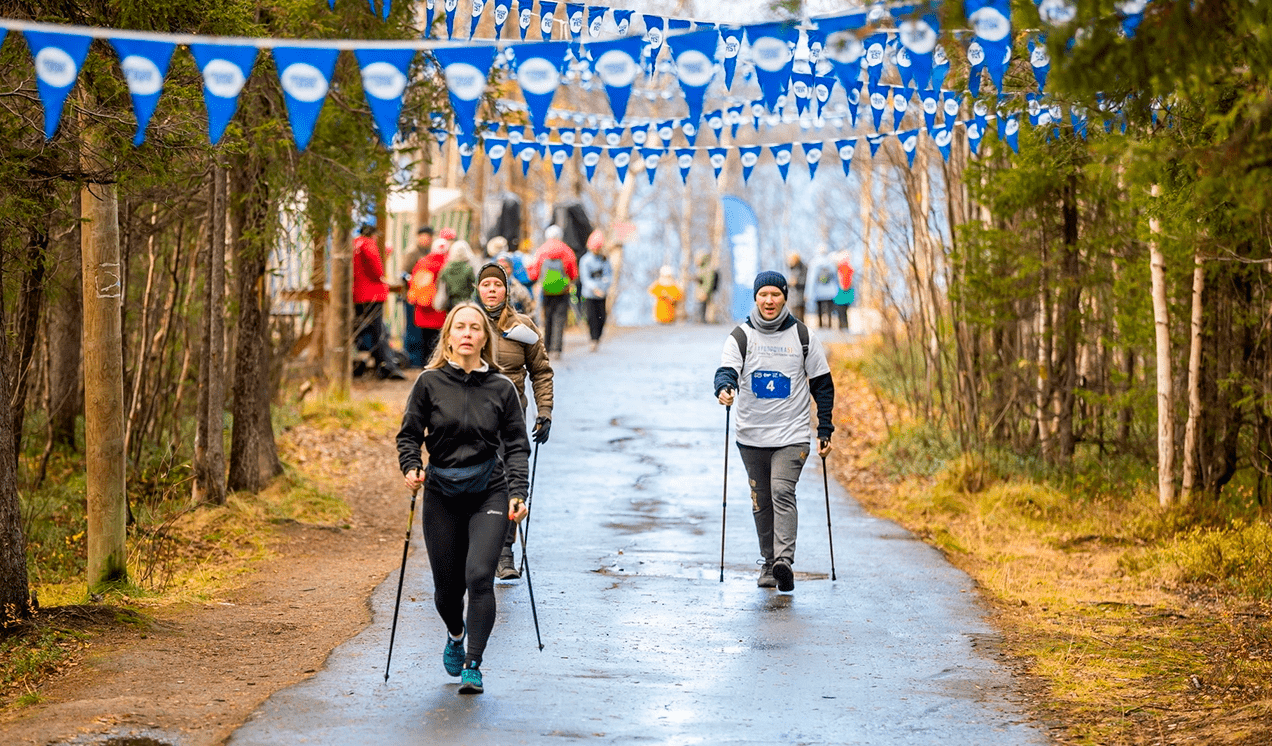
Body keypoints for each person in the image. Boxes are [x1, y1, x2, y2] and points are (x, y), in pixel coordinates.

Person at [397, 302, 531, 695]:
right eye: (461, 327)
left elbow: (517, 446)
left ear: (483, 337)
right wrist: (411, 466)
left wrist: (518, 491)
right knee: (447, 590)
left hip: (489, 488)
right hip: (441, 491)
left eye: (475, 327)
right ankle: (456, 633)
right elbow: (409, 434)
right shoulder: (429, 383)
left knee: (479, 577)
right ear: (449, 336)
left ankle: (474, 663)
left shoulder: (501, 388)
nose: (468, 333)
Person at [712, 271, 835, 592]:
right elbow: (726, 371)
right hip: (751, 435)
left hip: (792, 435)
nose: (769, 300)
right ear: (755, 298)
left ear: (784, 297)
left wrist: (825, 427)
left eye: (775, 295)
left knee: (782, 491)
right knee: (761, 500)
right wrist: (724, 388)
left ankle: (784, 561)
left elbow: (822, 385)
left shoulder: (803, 337)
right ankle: (768, 564)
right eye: (763, 294)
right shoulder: (740, 337)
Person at [474, 261, 554, 580]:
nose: (492, 290)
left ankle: (505, 552)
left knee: (511, 483)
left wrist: (544, 412)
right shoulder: (467, 325)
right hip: (472, 420)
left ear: (506, 290)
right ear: (478, 290)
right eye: (486, 285)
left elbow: (541, 372)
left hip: (512, 419)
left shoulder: (524, 327)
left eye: (497, 285)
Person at [352, 224, 406, 379]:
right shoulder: (368, 244)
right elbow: (377, 270)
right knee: (379, 332)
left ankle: (366, 363)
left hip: (358, 293)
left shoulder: (354, 244)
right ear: (372, 234)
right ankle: (387, 365)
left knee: (363, 331)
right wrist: (381, 278)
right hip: (372, 294)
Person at [526, 225, 579, 359]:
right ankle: (556, 349)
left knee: (548, 317)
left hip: (546, 290)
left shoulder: (541, 250)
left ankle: (547, 347)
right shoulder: (566, 250)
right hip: (563, 290)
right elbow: (573, 272)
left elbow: (533, 273)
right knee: (559, 318)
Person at [407, 235, 451, 360]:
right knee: (439, 339)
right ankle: (437, 362)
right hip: (440, 307)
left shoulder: (422, 262)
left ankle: (423, 363)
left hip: (423, 305)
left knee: (423, 337)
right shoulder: (447, 263)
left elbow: (413, 281)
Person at [401, 226, 434, 367]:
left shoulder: (430, 252)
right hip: (413, 298)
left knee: (422, 330)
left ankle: (420, 360)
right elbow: (403, 273)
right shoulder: (412, 252)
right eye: (423, 236)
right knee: (412, 329)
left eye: (428, 237)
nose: (426, 239)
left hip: (424, 299)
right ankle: (412, 360)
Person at [578, 230, 613, 352]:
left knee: (601, 317)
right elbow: (585, 278)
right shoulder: (585, 260)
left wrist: (603, 287)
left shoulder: (604, 260)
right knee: (591, 317)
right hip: (589, 294)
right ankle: (593, 339)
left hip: (602, 294)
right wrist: (595, 289)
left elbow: (609, 275)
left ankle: (598, 337)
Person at [438, 240, 478, 311]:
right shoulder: (469, 268)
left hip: (451, 304)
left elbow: (442, 289)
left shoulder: (447, 268)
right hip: (466, 303)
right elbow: (474, 286)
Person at [807, 244, 839, 329]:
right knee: (829, 311)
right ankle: (829, 327)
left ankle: (821, 327)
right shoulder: (831, 262)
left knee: (820, 311)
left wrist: (808, 293)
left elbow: (811, 279)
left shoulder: (814, 262)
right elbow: (835, 278)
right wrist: (836, 290)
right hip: (830, 291)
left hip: (819, 292)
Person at [694, 253, 718, 324]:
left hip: (705, 291)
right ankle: (700, 319)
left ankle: (705, 320)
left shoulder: (708, 269)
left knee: (706, 306)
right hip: (701, 291)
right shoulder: (701, 268)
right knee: (701, 306)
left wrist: (706, 292)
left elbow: (709, 281)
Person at [786, 252, 807, 323]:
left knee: (800, 316)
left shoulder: (803, 268)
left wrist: (796, 282)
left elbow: (806, 281)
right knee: (793, 316)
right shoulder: (791, 268)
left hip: (801, 295)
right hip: (792, 296)